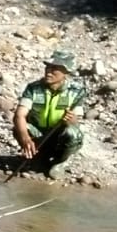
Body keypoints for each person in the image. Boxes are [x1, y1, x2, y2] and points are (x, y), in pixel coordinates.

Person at [13, 50, 87, 179]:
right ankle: (39, 159)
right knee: (19, 129)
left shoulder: (77, 91)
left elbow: (76, 122)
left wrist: (70, 120)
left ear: (66, 72)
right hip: (39, 134)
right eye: (48, 67)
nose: (49, 71)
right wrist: (25, 137)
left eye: (55, 69)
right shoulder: (33, 88)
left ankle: (59, 162)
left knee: (73, 133)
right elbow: (19, 115)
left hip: (58, 137)